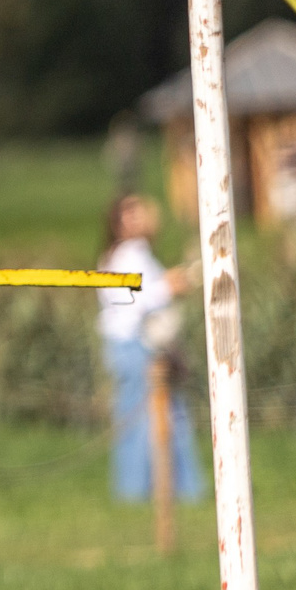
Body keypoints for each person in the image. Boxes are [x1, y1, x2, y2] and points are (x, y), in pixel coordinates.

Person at [99, 194, 203, 504]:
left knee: (160, 418)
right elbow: (141, 296)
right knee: (143, 420)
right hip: (134, 344)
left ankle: (174, 489)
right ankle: (141, 492)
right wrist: (178, 282)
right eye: (131, 214)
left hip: (133, 344)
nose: (140, 218)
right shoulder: (128, 253)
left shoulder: (127, 253)